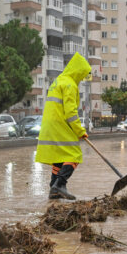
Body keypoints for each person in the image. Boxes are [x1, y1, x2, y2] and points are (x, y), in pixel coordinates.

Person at [35, 53, 91, 200]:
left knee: (60, 157)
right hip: (60, 125)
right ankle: (60, 185)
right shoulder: (70, 84)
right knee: (74, 155)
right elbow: (71, 112)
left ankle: (53, 187)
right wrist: (80, 131)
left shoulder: (58, 81)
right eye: (83, 74)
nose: (82, 78)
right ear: (78, 71)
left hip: (49, 125)